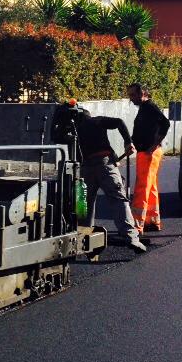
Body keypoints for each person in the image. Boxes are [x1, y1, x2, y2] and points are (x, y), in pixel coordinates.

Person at [50, 100, 146, 253]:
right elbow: (120, 122)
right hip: (105, 166)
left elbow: (54, 137)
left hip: (85, 170)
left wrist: (59, 122)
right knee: (118, 200)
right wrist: (128, 142)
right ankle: (131, 238)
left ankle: (83, 236)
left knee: (83, 204)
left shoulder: (71, 132)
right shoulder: (96, 122)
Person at [127, 83, 170, 233]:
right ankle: (152, 220)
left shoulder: (150, 107)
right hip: (146, 151)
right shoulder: (145, 108)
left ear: (142, 94)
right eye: (130, 95)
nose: (131, 98)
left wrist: (154, 145)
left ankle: (136, 225)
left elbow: (165, 123)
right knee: (150, 187)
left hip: (148, 153)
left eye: (133, 95)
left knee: (142, 188)